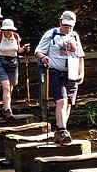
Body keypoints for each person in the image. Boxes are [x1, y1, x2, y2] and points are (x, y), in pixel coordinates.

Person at [35, 11, 85, 145]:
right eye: (65, 26)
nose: (67, 29)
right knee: (61, 101)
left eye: (70, 26)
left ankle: (59, 131)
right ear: (60, 23)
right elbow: (38, 51)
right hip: (55, 71)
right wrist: (43, 57)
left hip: (72, 72)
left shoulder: (75, 36)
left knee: (68, 103)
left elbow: (80, 55)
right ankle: (63, 131)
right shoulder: (51, 34)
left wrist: (82, 72)